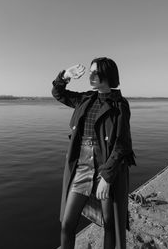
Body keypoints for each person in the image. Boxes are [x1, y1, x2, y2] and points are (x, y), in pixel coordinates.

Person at [52, 57, 136, 249]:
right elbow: (58, 93)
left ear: (107, 75)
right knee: (67, 223)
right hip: (82, 165)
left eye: (95, 72)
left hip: (106, 167)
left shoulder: (119, 105)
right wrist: (65, 75)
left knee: (109, 224)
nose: (90, 75)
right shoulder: (85, 99)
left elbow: (122, 144)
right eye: (89, 72)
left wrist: (106, 177)